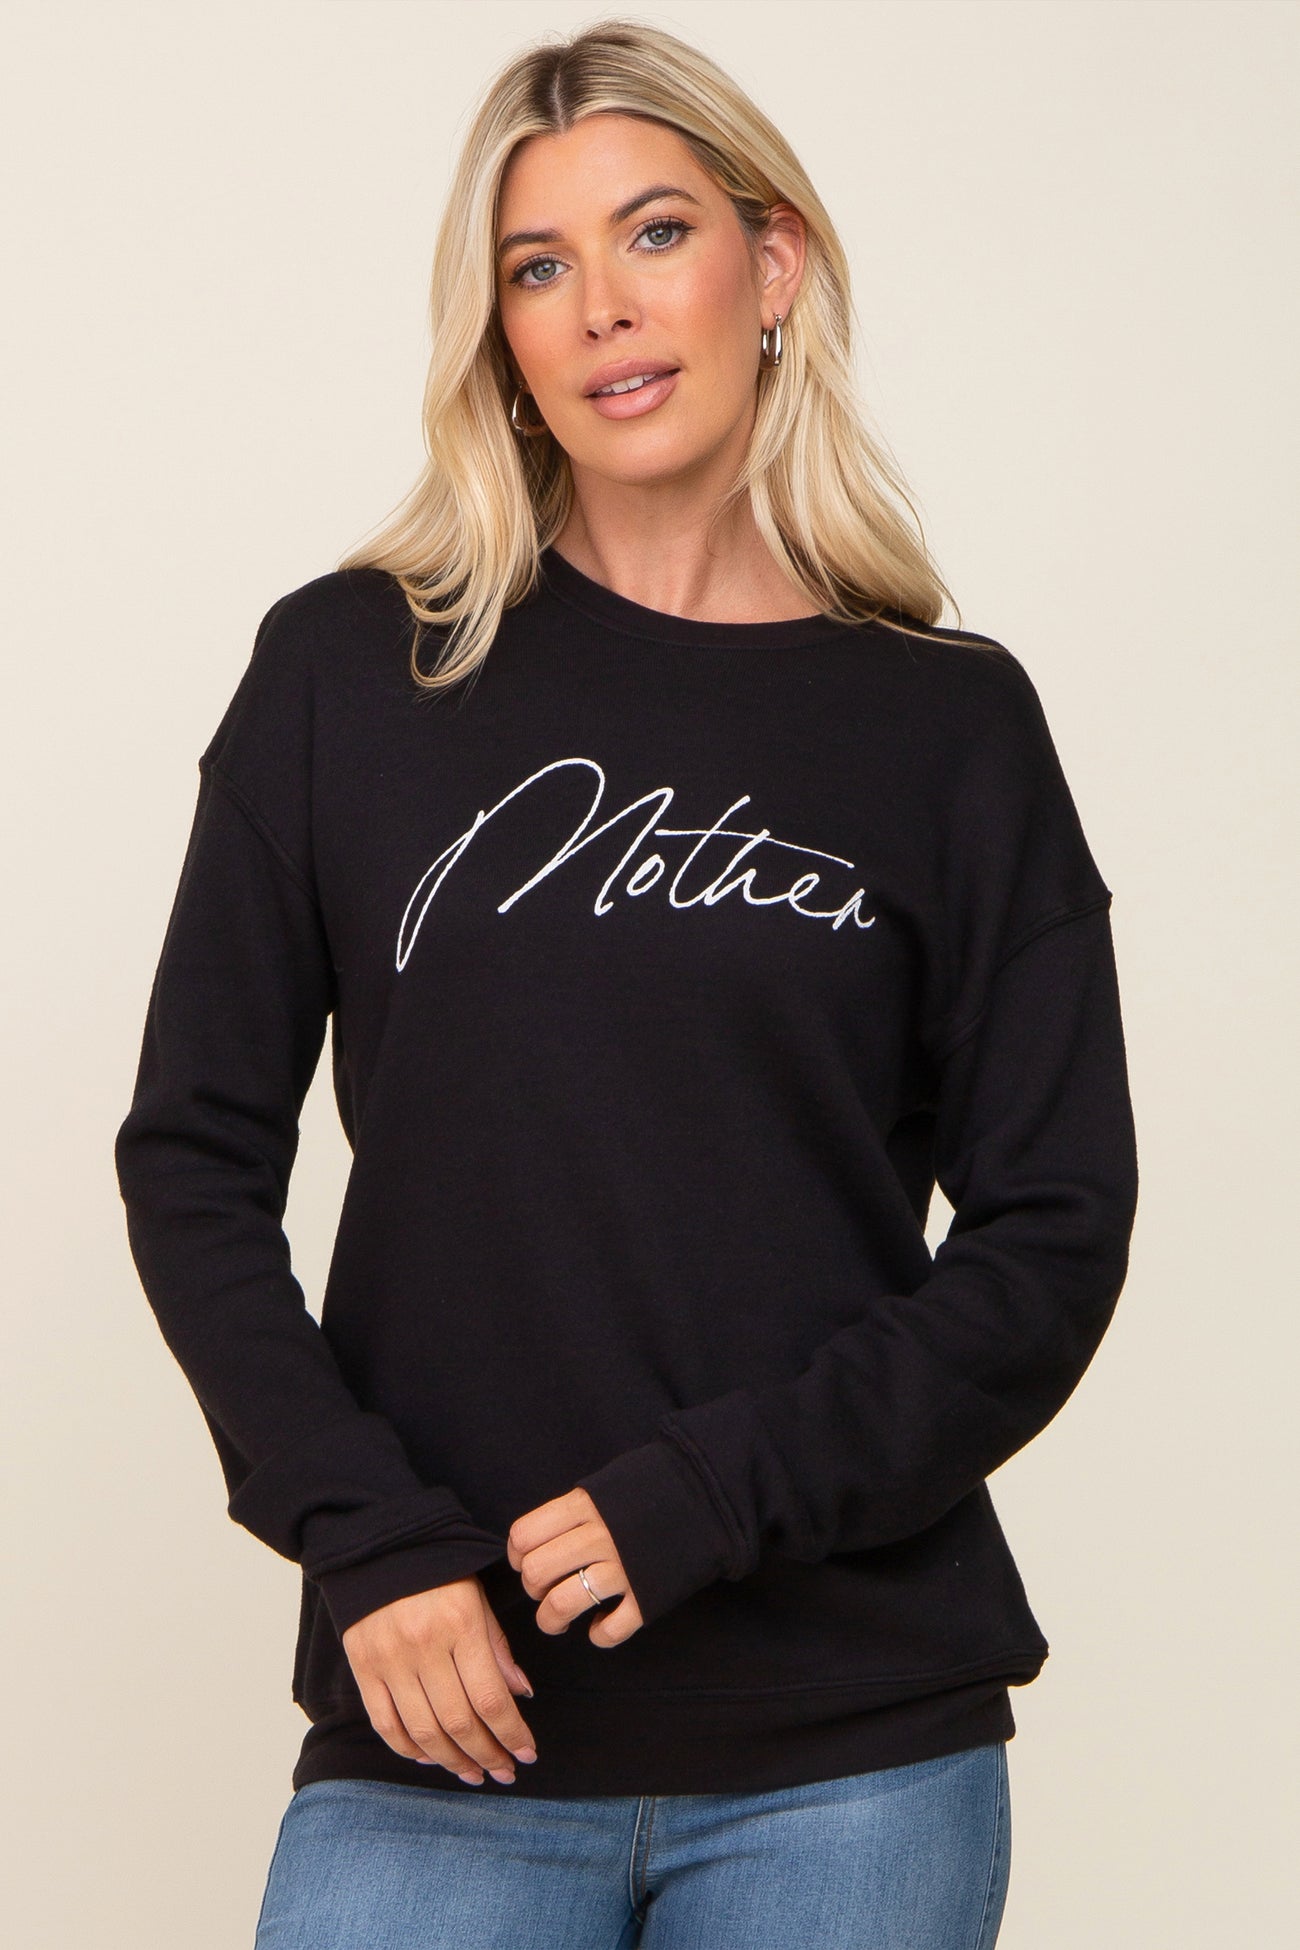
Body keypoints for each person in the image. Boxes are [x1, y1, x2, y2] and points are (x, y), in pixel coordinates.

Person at [113, 18, 1139, 1948]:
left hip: (853, 1750)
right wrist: (366, 1536)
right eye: (538, 265)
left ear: (776, 263)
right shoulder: (350, 677)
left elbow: (1054, 1228)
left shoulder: (948, 727)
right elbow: (191, 1159)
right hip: (448, 1734)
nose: (602, 306)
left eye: (656, 231)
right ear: (498, 329)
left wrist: (715, 1494)